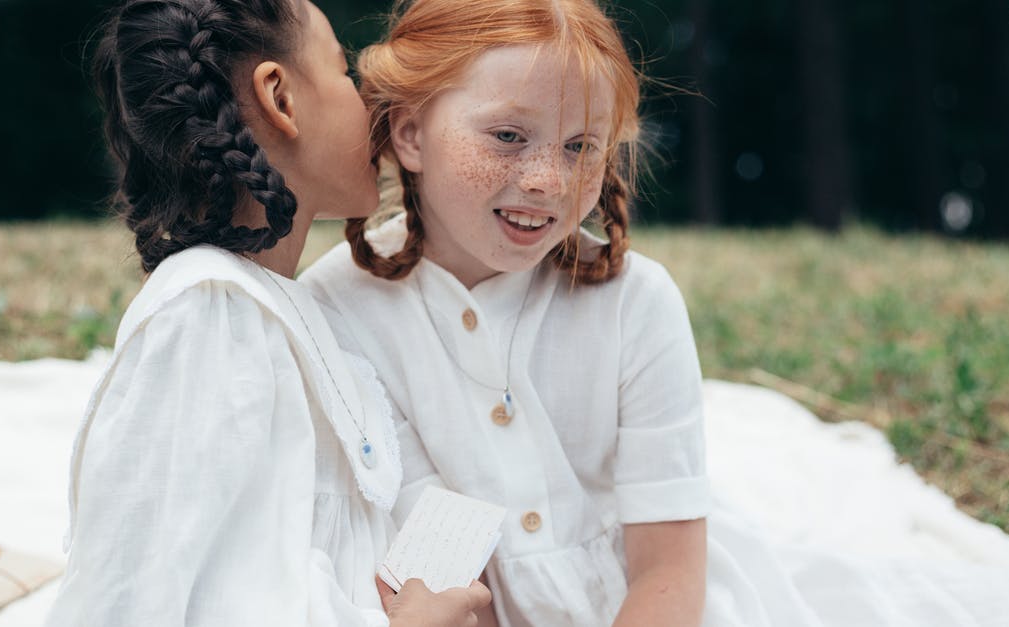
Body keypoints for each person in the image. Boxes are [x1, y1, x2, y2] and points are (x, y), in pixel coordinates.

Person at [46, 0, 490, 625]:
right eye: (344, 74)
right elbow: (149, 599)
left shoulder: (275, 310)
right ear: (281, 99)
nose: (373, 108)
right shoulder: (206, 317)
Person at [300, 0, 710, 624]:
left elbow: (669, 566)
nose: (547, 178)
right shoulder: (339, 310)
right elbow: (442, 577)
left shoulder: (638, 303)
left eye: (580, 146)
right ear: (412, 133)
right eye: (508, 136)